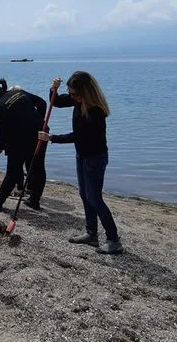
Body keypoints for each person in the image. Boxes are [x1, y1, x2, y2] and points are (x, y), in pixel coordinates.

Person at [38, 72, 123, 255]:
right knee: (84, 194)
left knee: (95, 197)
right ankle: (91, 234)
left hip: (95, 158)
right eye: (71, 93)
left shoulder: (95, 111)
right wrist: (53, 89)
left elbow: (79, 136)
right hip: (82, 155)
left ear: (86, 92)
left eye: (75, 94)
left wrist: (51, 138)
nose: (72, 97)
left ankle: (114, 239)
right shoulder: (78, 100)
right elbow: (57, 102)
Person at [0, 78, 47, 211]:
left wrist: (0, 147)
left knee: (13, 172)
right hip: (40, 134)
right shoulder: (19, 93)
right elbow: (42, 103)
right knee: (38, 167)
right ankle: (34, 201)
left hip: (19, 141)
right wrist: (39, 121)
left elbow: (2, 132)